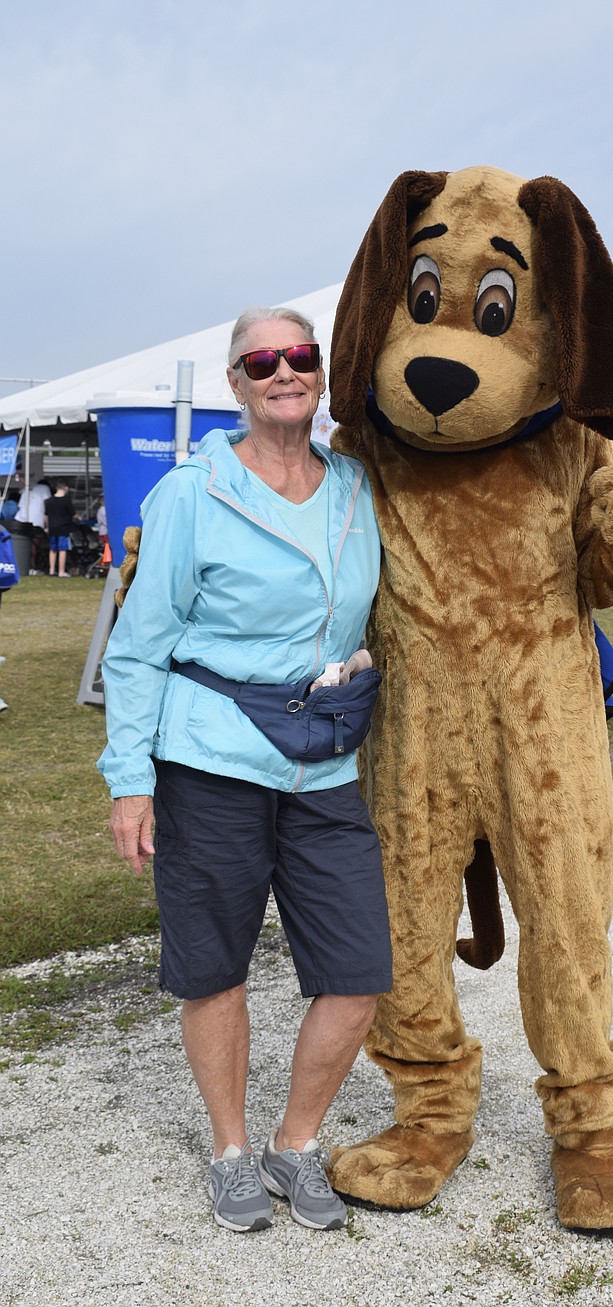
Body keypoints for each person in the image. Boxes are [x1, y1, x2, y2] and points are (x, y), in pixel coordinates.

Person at [97, 306, 391, 1235]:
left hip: (326, 762)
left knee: (359, 974)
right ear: (236, 384)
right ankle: (231, 1150)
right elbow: (139, 649)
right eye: (261, 360)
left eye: (300, 356)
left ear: (321, 374)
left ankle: (293, 1142)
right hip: (213, 758)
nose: (284, 371)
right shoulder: (195, 493)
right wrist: (130, 778)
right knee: (215, 965)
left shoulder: (357, 488)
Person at [43, 482, 76, 577]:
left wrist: (47, 527)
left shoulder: (48, 501)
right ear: (65, 488)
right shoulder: (66, 500)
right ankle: (61, 571)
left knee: (52, 549)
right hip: (63, 527)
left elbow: (46, 516)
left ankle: (51, 570)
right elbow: (72, 513)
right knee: (62, 549)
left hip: (52, 527)